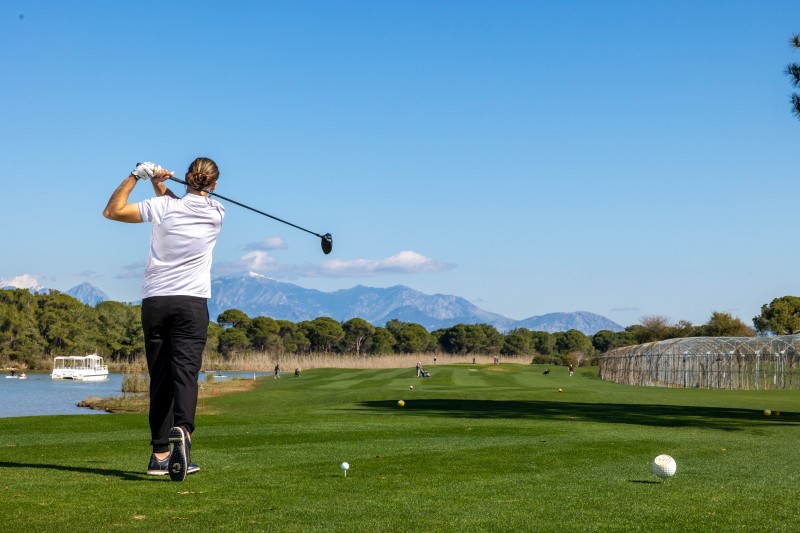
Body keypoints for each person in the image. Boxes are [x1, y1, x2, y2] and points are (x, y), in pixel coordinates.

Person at [103, 159, 224, 482]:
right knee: (184, 374)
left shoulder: (162, 207)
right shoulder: (217, 214)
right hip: (191, 303)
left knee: (160, 376)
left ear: (187, 179)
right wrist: (160, 183)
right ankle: (183, 431)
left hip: (155, 302)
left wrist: (136, 176)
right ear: (213, 186)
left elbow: (113, 211)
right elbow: (181, 204)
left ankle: (159, 455)